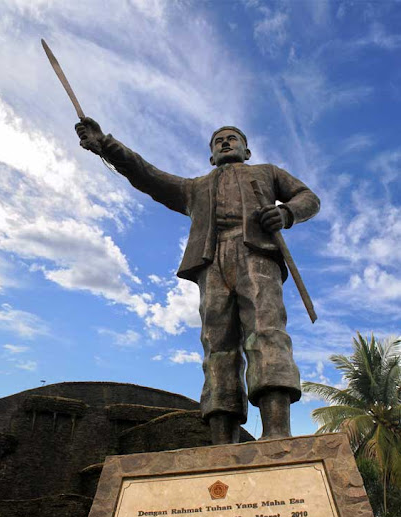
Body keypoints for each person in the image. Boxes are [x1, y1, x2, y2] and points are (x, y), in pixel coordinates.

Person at [75, 118, 320, 444]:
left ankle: (276, 431)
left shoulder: (267, 172)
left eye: (232, 138)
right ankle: (222, 439)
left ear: (247, 150)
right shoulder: (195, 188)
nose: (225, 142)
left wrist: (287, 213)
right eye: (218, 141)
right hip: (212, 263)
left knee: (266, 332)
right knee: (217, 346)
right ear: (210, 157)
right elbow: (147, 174)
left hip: (256, 255)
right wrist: (106, 145)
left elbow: (308, 197)